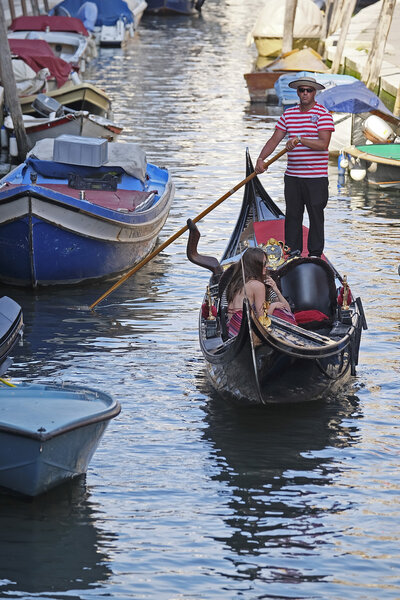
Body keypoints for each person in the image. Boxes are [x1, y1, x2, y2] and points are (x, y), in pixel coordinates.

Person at [255, 76, 335, 258]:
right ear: (297, 92)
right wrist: (261, 159)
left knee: (316, 217)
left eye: (309, 90)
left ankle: (315, 254)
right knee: (292, 216)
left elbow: (323, 144)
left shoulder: (323, 114)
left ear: (315, 93)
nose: (305, 93)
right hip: (293, 177)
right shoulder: (288, 115)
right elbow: (275, 139)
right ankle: (293, 253)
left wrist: (300, 140)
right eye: (302, 90)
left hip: (316, 178)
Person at [226, 247, 293, 337]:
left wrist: (276, 290)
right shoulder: (258, 286)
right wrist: (273, 306)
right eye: (264, 264)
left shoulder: (236, 282)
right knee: (279, 312)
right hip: (245, 331)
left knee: (280, 310)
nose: (267, 266)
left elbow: (287, 308)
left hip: (232, 330)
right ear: (255, 266)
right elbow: (262, 319)